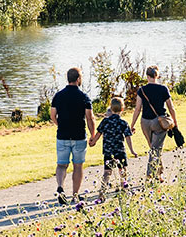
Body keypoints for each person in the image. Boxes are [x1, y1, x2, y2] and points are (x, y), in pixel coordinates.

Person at [50, 67, 96, 204]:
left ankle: (60, 187)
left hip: (62, 135)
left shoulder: (58, 96)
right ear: (78, 79)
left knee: (61, 165)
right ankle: (75, 195)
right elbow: (90, 118)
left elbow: (53, 115)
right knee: (78, 166)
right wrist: (93, 134)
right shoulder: (84, 97)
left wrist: (59, 125)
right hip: (79, 136)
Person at [130, 65, 178, 182]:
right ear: (157, 76)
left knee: (154, 148)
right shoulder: (163, 89)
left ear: (147, 76)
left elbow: (137, 109)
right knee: (155, 149)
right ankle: (150, 175)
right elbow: (171, 108)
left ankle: (159, 174)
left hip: (145, 122)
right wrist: (175, 123)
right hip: (159, 122)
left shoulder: (142, 90)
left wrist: (132, 125)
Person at [89, 96, 137, 200]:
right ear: (122, 109)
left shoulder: (105, 121)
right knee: (122, 170)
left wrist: (93, 142)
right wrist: (132, 150)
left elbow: (99, 133)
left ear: (111, 108)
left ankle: (102, 192)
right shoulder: (123, 123)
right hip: (119, 150)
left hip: (108, 151)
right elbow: (128, 137)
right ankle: (124, 189)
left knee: (107, 172)